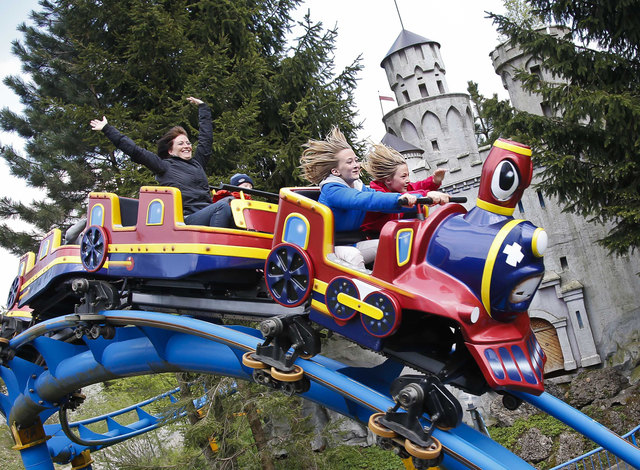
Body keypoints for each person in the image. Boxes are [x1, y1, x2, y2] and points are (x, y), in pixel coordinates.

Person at [90, 97, 231, 227]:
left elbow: (206, 140)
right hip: (186, 219)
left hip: (206, 213)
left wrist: (203, 108)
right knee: (222, 207)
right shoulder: (164, 166)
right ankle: (215, 248)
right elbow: (135, 151)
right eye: (181, 144)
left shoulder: (197, 163)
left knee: (233, 204)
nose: (187, 146)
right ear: (170, 151)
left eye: (188, 143)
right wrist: (107, 129)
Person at [299, 127, 417, 271]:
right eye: (349, 162)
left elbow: (380, 200)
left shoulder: (358, 187)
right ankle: (367, 291)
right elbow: (363, 199)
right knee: (353, 255)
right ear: (335, 171)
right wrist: (400, 199)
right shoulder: (332, 190)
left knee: (393, 243)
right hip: (328, 249)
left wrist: (422, 198)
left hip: (352, 243)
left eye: (356, 160)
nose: (356, 165)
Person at [361, 143, 450, 234]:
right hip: (376, 237)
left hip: (398, 233)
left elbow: (417, 187)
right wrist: (426, 194)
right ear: (388, 180)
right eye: (403, 177)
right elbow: (395, 199)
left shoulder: (402, 188)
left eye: (408, 175)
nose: (408, 180)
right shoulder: (377, 193)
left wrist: (434, 181)